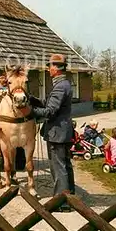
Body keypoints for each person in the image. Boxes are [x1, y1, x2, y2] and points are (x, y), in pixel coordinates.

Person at [29, 54, 75, 212]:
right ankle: (71, 197)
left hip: (57, 133)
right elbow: (50, 103)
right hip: (64, 131)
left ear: (56, 68)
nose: (48, 69)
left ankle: (61, 202)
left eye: (50, 66)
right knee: (66, 165)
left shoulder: (60, 86)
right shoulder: (65, 84)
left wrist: (30, 111)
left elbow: (50, 111)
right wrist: (33, 99)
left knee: (58, 167)